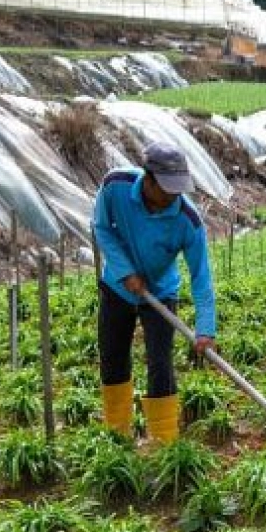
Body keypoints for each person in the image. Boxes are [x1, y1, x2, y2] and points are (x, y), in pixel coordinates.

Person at [93, 143, 217, 445]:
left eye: (178, 190)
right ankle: (117, 435)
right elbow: (101, 228)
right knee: (113, 357)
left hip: (160, 293)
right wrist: (125, 271)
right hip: (117, 288)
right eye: (166, 189)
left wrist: (205, 329)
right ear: (147, 180)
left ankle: (165, 442)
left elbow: (201, 277)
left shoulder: (188, 220)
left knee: (160, 364)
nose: (173, 197)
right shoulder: (115, 186)